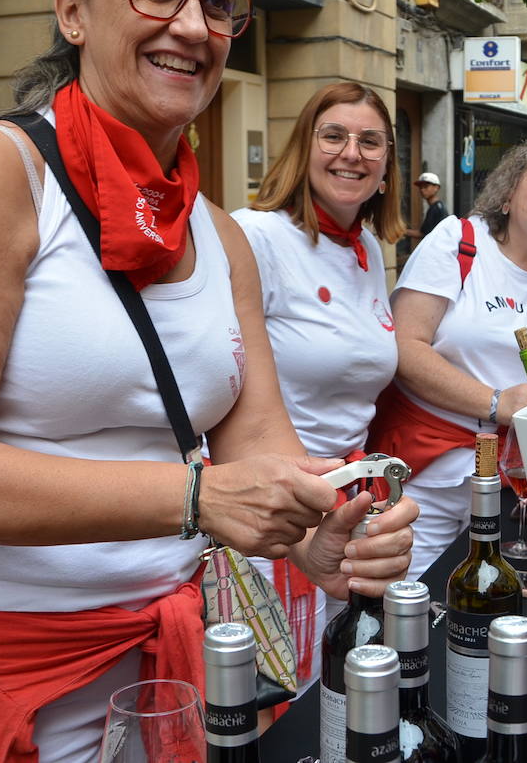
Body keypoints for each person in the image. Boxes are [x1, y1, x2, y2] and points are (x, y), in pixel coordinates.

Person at [0, 0, 417, 762]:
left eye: (218, 1)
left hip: (159, 673)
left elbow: (259, 444)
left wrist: (324, 532)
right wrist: (193, 499)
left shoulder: (218, 232)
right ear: (72, 11)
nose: (193, 25)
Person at [231, 81, 406, 690]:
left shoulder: (365, 253)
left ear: (387, 167)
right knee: (271, 698)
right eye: (333, 136)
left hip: (347, 508)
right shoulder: (256, 237)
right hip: (268, 516)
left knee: (332, 685)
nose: (351, 153)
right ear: (303, 149)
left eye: (370, 142)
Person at [374, 128, 527, 577]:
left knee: (500, 608)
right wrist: (497, 403)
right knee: (408, 603)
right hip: (432, 474)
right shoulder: (458, 242)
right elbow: (404, 346)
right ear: (511, 189)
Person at [407, 170, 448, 240]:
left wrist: (402, 231)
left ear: (436, 188)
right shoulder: (436, 206)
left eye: (426, 186)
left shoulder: (436, 209)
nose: (422, 190)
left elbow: (423, 234)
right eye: (420, 187)